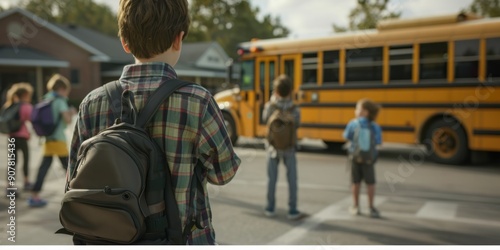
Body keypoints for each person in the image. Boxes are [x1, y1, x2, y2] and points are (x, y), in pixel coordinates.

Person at [67, 0, 240, 245]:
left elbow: (73, 182)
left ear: (124, 42)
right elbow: (224, 173)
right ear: (179, 39)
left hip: (109, 239)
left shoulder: (91, 103)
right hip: (181, 238)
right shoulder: (198, 101)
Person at [28, 74, 76, 207]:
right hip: (59, 140)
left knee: (44, 167)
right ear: (62, 88)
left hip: (47, 139)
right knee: (69, 168)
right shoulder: (60, 101)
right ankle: (77, 193)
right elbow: (67, 120)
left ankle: (34, 195)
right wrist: (71, 113)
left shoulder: (46, 98)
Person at [262, 74, 302, 220]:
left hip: (273, 148)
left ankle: (270, 207)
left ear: (276, 91)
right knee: (292, 180)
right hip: (290, 148)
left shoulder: (270, 106)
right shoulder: (294, 107)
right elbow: (298, 124)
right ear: (290, 91)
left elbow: (265, 119)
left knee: (271, 179)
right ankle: (292, 210)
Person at [343, 98, 382, 218]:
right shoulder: (374, 126)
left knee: (356, 182)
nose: (356, 111)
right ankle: (371, 207)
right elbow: (378, 142)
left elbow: (346, 136)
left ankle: (356, 206)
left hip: (355, 157)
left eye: (358, 108)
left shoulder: (353, 123)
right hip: (369, 159)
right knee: (371, 183)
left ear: (365, 111)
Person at [3, 83, 34, 193]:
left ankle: (10, 186)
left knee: (12, 161)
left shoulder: (10, 105)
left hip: (11, 136)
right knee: (25, 159)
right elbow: (32, 119)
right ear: (25, 94)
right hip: (22, 137)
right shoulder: (26, 106)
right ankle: (26, 181)